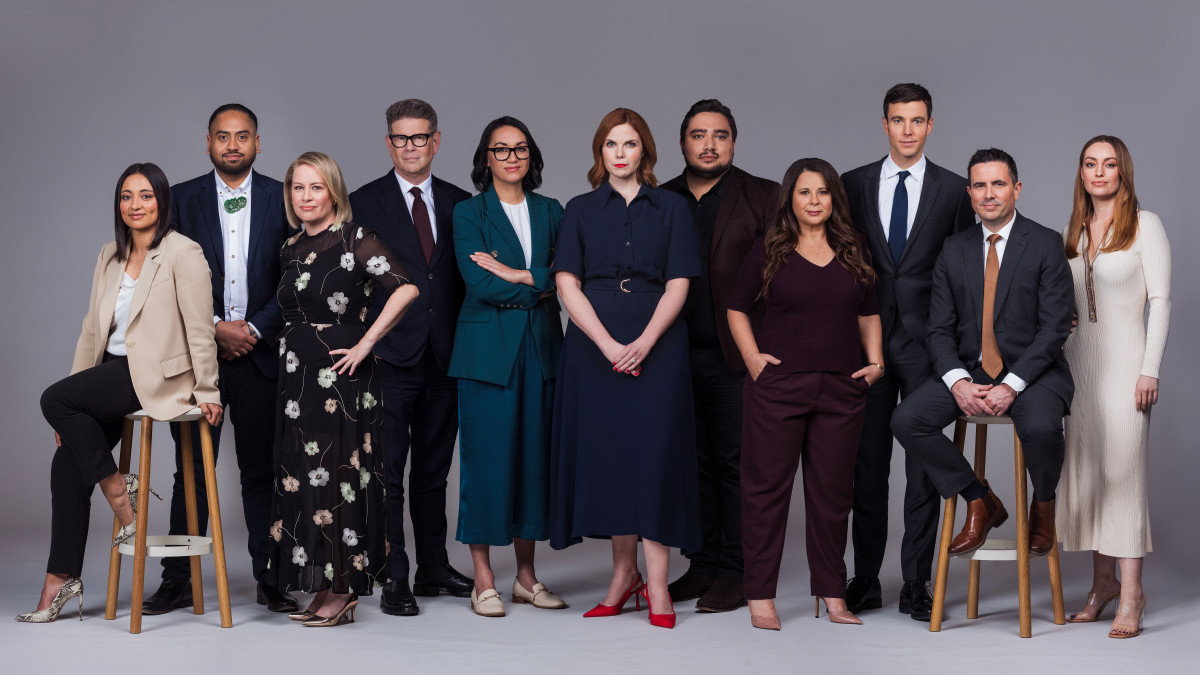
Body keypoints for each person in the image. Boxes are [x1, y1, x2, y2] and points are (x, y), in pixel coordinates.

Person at [19, 163, 222, 623]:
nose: (135, 205)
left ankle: (118, 492)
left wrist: (208, 388)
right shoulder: (109, 254)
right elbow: (92, 330)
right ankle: (60, 578)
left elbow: (199, 327)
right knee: (66, 464)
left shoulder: (183, 251)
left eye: (145, 195)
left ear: (162, 201)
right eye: (126, 196)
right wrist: (71, 411)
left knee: (52, 399)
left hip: (158, 375)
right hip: (112, 373)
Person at [549, 108, 701, 629]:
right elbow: (566, 283)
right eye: (611, 144)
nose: (620, 153)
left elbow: (680, 283)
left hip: (660, 346)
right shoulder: (579, 209)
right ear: (600, 152)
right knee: (613, 461)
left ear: (645, 152)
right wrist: (610, 346)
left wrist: (644, 342)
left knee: (654, 459)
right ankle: (623, 577)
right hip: (594, 351)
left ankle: (657, 584)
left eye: (630, 144)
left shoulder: (673, 207)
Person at [143, 103, 296, 616]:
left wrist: (251, 329)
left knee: (262, 471)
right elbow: (161, 276)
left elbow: (295, 276)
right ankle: (178, 580)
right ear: (207, 143)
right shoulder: (179, 198)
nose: (233, 145)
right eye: (223, 136)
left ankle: (270, 578)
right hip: (195, 360)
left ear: (258, 143)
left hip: (260, 356)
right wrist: (214, 328)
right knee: (190, 472)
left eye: (242, 136)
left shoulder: (283, 197)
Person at [892, 148, 1074, 566]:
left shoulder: (1045, 243)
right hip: (971, 369)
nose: (989, 193)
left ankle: (1044, 502)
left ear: (1016, 189)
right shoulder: (953, 249)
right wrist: (957, 380)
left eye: (998, 184)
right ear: (970, 193)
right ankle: (979, 499)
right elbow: (939, 328)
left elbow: (1054, 328)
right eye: (979, 185)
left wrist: (1012, 385)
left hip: (1033, 371)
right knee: (906, 420)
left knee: (1042, 428)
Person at [263, 152, 419, 627]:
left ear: (333, 192)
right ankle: (324, 585)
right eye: (297, 188)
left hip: (340, 380)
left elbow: (406, 288)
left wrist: (367, 342)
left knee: (339, 477)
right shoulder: (290, 246)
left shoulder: (356, 237)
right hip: (297, 381)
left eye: (316, 187)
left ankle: (343, 590)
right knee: (307, 476)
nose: (306, 197)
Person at [728, 158, 883, 630]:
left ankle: (832, 593)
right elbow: (736, 307)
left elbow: (869, 312)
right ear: (789, 200)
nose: (814, 201)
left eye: (822, 192)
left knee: (833, 497)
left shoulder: (853, 247)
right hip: (778, 387)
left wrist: (876, 362)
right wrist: (753, 358)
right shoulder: (769, 248)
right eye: (804, 192)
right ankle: (760, 595)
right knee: (765, 493)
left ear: (834, 198)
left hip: (841, 388)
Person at [840, 83, 975, 621]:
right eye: (898, 120)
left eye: (917, 120)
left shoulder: (954, 190)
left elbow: (965, 272)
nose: (907, 130)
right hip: (868, 343)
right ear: (885, 124)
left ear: (930, 125)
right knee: (867, 467)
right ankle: (865, 578)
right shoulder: (852, 184)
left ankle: (917, 582)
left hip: (929, 346)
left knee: (922, 469)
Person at [349, 99, 473, 616]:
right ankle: (394, 574)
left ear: (436, 141)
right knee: (388, 472)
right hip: (390, 355)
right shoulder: (362, 202)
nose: (410, 147)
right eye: (400, 138)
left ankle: (434, 567)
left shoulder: (461, 203)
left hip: (445, 355)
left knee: (434, 471)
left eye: (419, 137)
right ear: (388, 144)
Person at [659, 99, 780, 613]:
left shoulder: (765, 196)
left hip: (737, 357)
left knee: (737, 466)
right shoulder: (660, 198)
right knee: (694, 464)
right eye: (698, 135)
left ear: (733, 141)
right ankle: (704, 563)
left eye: (720, 135)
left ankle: (736, 570)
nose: (709, 145)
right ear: (682, 142)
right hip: (672, 355)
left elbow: (783, 275)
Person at [448, 117, 566, 617]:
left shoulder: (552, 210)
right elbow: (480, 283)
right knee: (486, 465)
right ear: (486, 158)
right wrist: (538, 283)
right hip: (486, 351)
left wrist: (520, 274)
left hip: (541, 347)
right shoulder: (468, 212)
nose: (511, 157)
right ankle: (483, 579)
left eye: (520, 148)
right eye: (501, 149)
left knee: (533, 463)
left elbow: (569, 275)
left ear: (531, 155)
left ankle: (525, 578)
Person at [1056, 135, 1170, 639]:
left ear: (1122, 170)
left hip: (1127, 368)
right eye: (1090, 164)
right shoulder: (1073, 230)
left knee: (1123, 476)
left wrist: (1151, 369)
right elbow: (1064, 300)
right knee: (1091, 475)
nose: (1099, 172)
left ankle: (1132, 596)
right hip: (1078, 368)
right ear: (1081, 173)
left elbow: (1160, 301)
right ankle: (1102, 586)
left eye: (1108, 164)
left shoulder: (1146, 225)